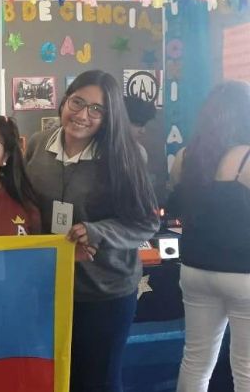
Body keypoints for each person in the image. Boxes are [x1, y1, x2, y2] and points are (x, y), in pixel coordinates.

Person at [24, 69, 159, 392]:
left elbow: (145, 222)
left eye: (96, 109)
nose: (83, 115)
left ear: (109, 116)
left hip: (105, 291)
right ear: (64, 101)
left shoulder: (126, 155)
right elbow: (27, 206)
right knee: (56, 379)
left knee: (98, 381)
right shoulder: (39, 144)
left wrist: (97, 231)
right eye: (77, 102)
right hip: (50, 289)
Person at [174, 81, 250, 392]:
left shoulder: (186, 155)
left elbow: (180, 207)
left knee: (195, 361)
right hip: (243, 273)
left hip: (195, 269)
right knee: (246, 369)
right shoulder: (246, 159)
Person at [124, 95, 157, 162]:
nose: (143, 131)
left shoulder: (140, 152)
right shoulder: (101, 150)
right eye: (137, 125)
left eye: (144, 125)